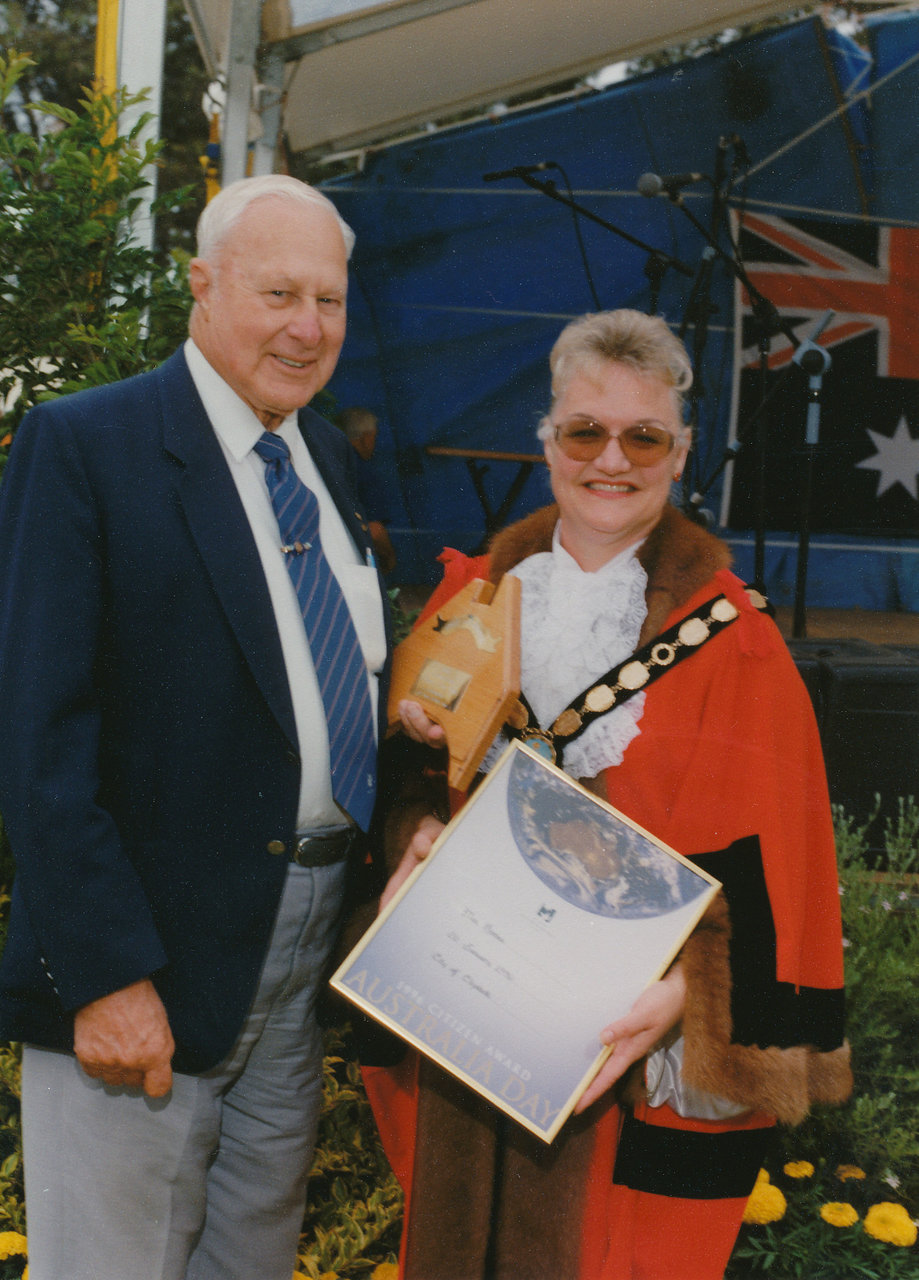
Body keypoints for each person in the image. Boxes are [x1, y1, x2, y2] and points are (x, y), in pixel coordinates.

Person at [367, 310, 850, 1280]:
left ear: (681, 455)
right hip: (471, 1022)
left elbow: (779, 873)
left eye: (644, 436)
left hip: (628, 1053)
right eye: (585, 431)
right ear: (547, 442)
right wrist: (413, 833)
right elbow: (407, 777)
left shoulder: (739, 641)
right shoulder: (468, 597)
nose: (611, 459)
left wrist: (684, 997)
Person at [0, 174, 390, 1280]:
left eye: (331, 300)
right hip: (144, 971)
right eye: (278, 293)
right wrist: (106, 974)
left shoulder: (329, 461)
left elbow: (330, 681)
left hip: (295, 964)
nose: (308, 328)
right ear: (203, 287)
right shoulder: (86, 447)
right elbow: (38, 737)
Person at [335, 405, 397, 575]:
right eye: (374, 437)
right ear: (366, 437)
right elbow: (374, 529)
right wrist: (390, 559)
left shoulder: (332, 461)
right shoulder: (363, 470)